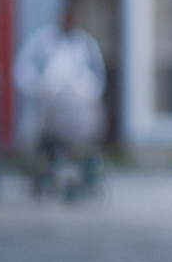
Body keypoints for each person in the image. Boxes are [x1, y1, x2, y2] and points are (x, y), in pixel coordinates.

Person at [11, 14, 105, 200]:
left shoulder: (85, 44)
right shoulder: (43, 42)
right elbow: (22, 70)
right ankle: (44, 178)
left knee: (84, 146)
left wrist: (85, 96)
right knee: (44, 142)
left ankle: (78, 177)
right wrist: (38, 88)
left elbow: (98, 78)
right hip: (49, 112)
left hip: (80, 115)